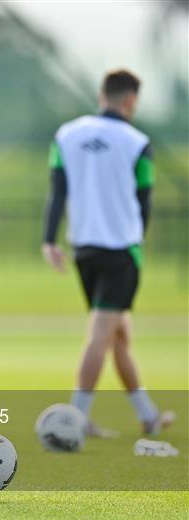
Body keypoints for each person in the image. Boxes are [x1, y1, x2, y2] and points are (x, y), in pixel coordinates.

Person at [42, 69, 174, 437]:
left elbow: (57, 190)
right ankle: (76, 419)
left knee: (119, 336)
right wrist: (137, 239)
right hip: (121, 251)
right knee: (102, 335)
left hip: (83, 249)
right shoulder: (137, 142)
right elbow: (144, 201)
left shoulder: (66, 135)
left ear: (102, 95)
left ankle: (148, 415)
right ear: (131, 100)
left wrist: (50, 240)